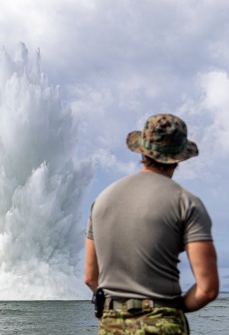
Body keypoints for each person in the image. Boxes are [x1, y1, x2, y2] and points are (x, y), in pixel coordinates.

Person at [84, 113, 219, 335]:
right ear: (178, 157)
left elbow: (90, 277)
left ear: (142, 150)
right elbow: (208, 289)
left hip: (111, 324)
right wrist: (170, 308)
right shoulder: (186, 202)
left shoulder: (102, 200)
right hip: (163, 324)